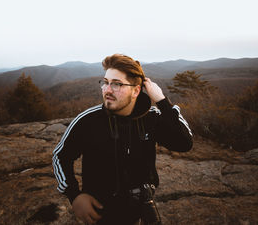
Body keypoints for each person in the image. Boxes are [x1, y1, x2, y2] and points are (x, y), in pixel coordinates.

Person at [52, 54, 193, 224]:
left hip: (139, 210)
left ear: (136, 90)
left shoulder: (152, 118)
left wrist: (162, 102)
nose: (107, 90)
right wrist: (74, 195)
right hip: (100, 213)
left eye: (117, 84)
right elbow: (61, 156)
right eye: (105, 82)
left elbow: (184, 143)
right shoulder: (88, 121)